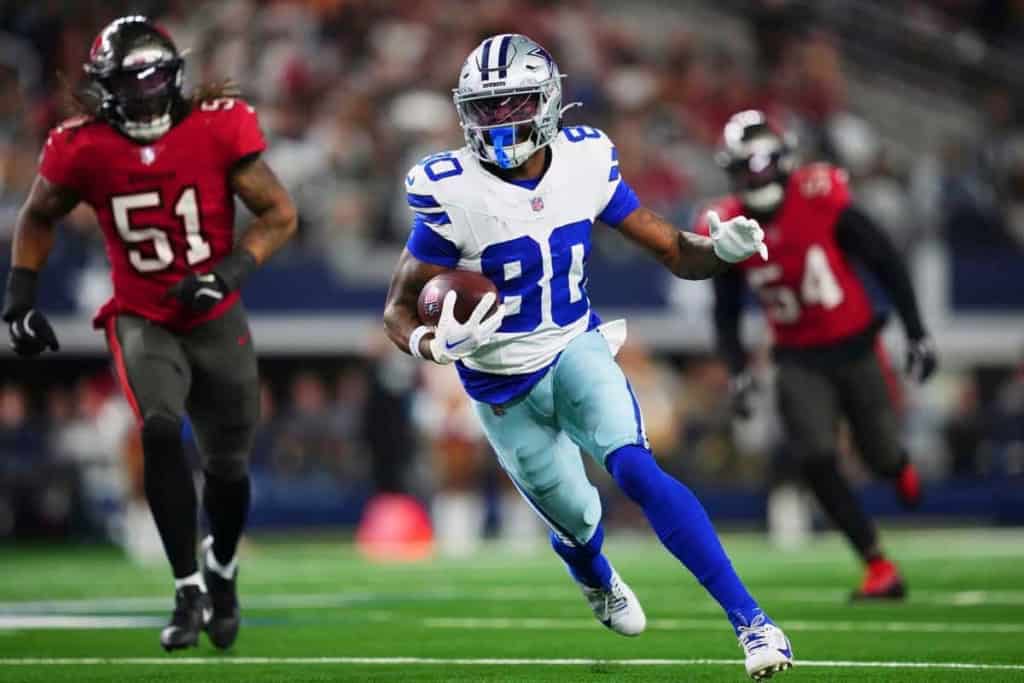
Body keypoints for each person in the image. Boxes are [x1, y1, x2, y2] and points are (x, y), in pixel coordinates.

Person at [383, 34, 792, 680]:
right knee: (578, 521)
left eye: (509, 104)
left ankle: (754, 622)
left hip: (575, 346)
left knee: (635, 467)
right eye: (483, 108)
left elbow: (671, 248)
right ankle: (593, 573)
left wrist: (722, 253)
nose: (494, 122)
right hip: (499, 385)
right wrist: (434, 343)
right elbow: (397, 309)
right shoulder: (451, 189)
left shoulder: (585, 161)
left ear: (545, 103)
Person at [1, 16, 297, 650]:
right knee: (159, 428)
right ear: (106, 87)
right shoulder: (80, 145)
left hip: (215, 315)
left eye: (159, 77)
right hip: (143, 313)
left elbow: (279, 213)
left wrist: (227, 273)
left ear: (177, 77)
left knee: (229, 468)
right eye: (134, 81)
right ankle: (186, 584)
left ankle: (221, 569)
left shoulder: (218, 126)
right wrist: (19, 295)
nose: (148, 92)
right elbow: (37, 215)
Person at [701, 109, 938, 600]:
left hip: (855, 344)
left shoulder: (820, 196)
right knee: (815, 458)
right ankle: (878, 564)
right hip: (796, 356)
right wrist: (739, 371)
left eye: (765, 163)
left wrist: (916, 331)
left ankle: (897, 465)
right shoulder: (730, 224)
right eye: (747, 166)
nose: (756, 175)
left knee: (879, 452)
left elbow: (883, 257)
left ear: (784, 162)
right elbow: (724, 311)